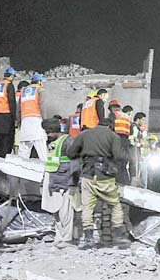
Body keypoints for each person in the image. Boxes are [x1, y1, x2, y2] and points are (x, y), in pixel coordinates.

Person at [67, 118, 129, 248]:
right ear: (110, 126)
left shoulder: (84, 134)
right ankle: (118, 235)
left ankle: (88, 238)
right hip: (105, 176)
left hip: (87, 175)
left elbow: (71, 153)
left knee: (87, 207)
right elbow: (118, 156)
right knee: (115, 204)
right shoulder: (113, 136)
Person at [41, 119, 80, 247]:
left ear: (56, 131)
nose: (47, 135)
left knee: (66, 213)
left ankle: (67, 239)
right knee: (55, 211)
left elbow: (75, 163)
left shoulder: (68, 141)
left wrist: (73, 182)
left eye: (49, 133)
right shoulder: (52, 143)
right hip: (54, 182)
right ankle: (59, 236)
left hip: (65, 182)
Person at [17, 73, 47, 160]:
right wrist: (45, 123)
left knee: (23, 151)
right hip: (36, 121)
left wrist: (20, 123)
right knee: (41, 149)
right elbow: (43, 106)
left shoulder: (23, 91)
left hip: (25, 122)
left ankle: (20, 171)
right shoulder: (40, 90)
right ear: (39, 81)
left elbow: (18, 109)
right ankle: (45, 171)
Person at [130, 112, 148, 187]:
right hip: (135, 152)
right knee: (136, 170)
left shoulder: (138, 128)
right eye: (143, 120)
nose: (143, 122)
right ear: (138, 119)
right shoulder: (134, 127)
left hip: (138, 153)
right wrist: (141, 144)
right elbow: (133, 140)